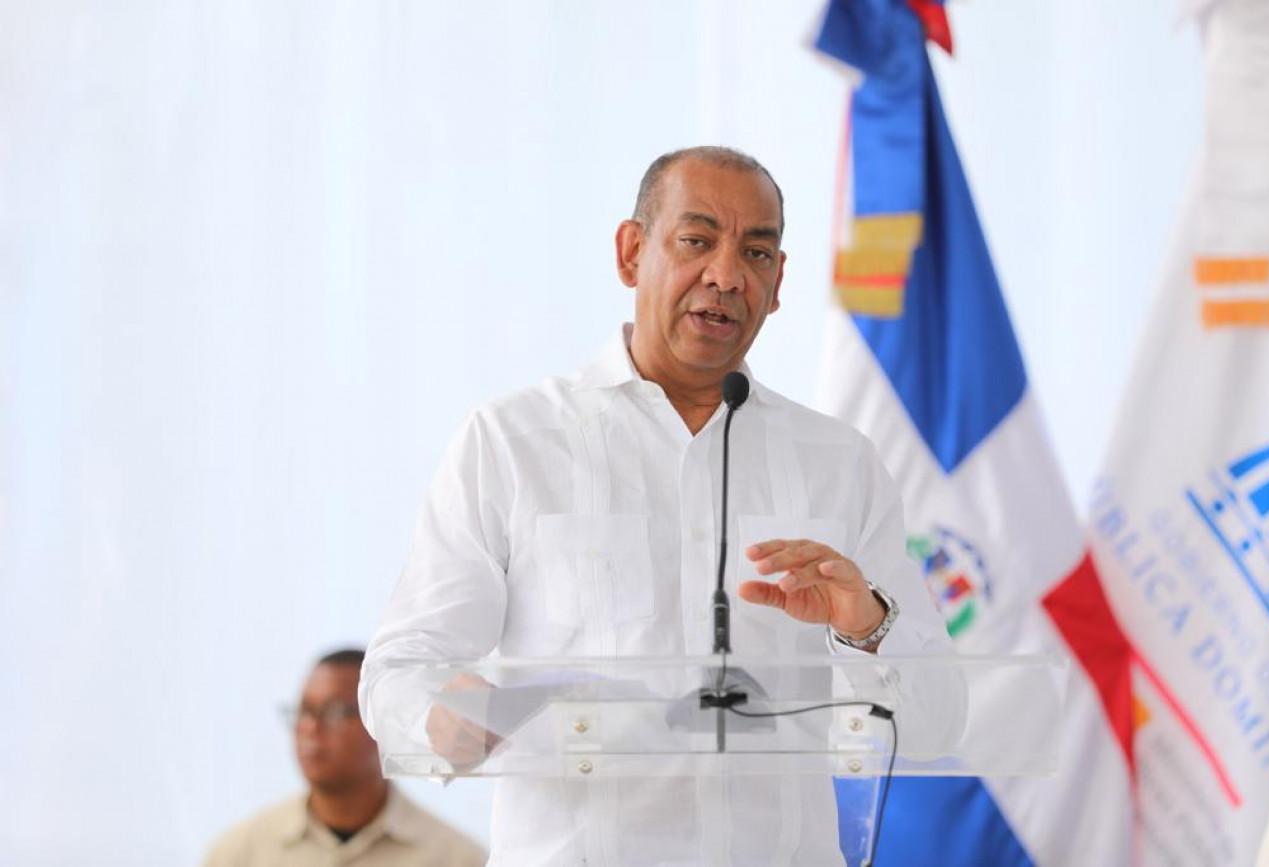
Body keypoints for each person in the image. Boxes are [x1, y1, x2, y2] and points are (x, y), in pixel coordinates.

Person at [361, 146, 955, 864]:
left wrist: (865, 626)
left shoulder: (839, 461)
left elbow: (936, 722)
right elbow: (400, 669)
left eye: (756, 252)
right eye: (697, 240)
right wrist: (447, 713)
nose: (727, 275)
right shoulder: (512, 442)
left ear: (778, 283)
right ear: (631, 252)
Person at [206, 648, 485, 867]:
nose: (311, 729)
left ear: (380, 725)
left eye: (334, 713)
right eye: (305, 711)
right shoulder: (239, 855)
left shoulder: (457, 859)